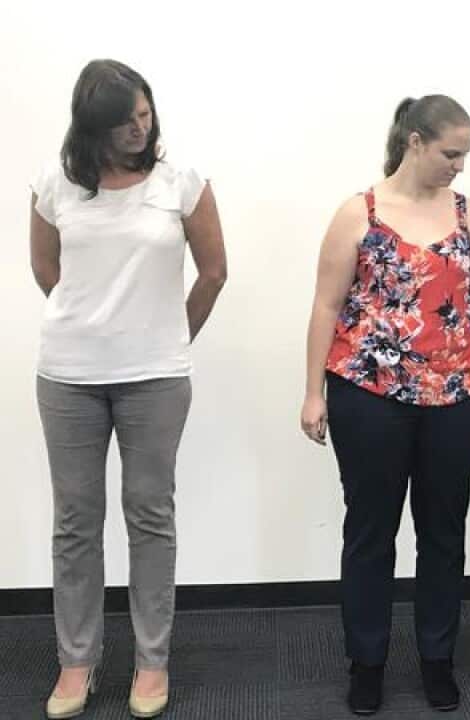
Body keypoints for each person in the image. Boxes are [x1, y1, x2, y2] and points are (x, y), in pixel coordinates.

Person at [29, 59, 227, 719]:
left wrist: (168, 337)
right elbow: (46, 267)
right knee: (75, 523)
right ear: (92, 129)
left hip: (155, 381)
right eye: (124, 123)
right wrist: (92, 323)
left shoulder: (180, 182)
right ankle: (76, 661)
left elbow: (214, 271)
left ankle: (151, 661)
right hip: (69, 378)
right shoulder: (54, 184)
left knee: (149, 517)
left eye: (144, 115)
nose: (139, 129)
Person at [300, 94, 470, 715]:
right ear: (415, 142)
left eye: (465, 155)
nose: (459, 166)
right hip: (369, 395)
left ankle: (437, 660)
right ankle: (366, 662)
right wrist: (312, 391)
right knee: (371, 530)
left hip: (457, 395)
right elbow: (325, 306)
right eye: (451, 153)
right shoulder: (358, 213)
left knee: (444, 531)